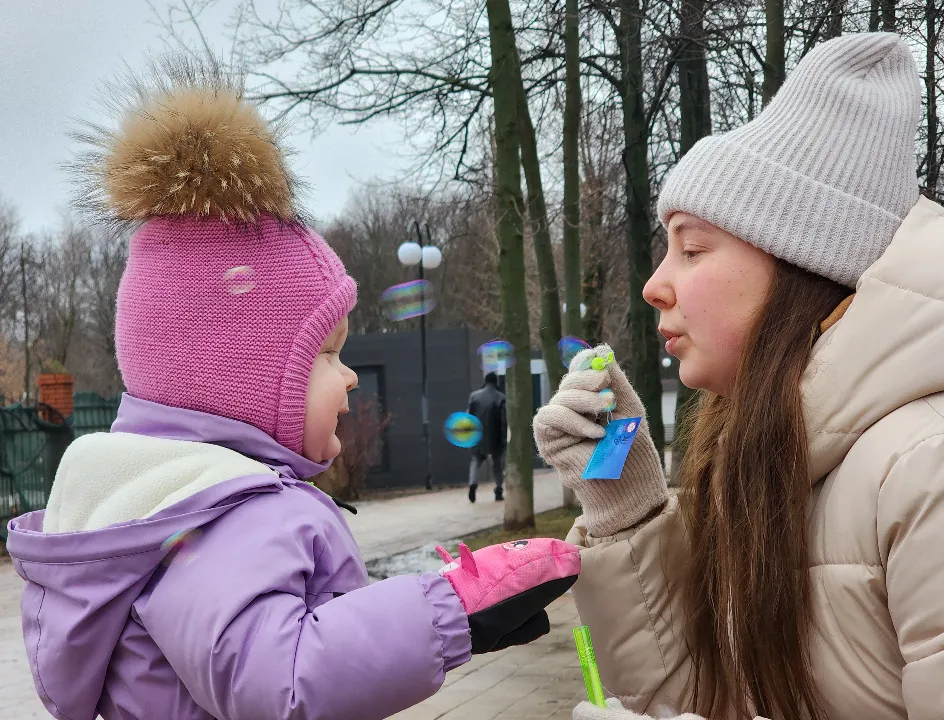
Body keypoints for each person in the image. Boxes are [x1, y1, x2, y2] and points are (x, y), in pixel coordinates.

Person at [5, 57, 579, 720]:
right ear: (238, 383)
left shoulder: (179, 506)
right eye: (326, 355)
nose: (349, 376)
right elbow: (281, 681)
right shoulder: (224, 517)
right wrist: (451, 610)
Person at [534, 33, 944, 720]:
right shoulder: (765, 454)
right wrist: (625, 505)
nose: (654, 286)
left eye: (692, 247)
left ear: (802, 264)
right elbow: (710, 701)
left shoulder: (936, 465)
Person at [466, 371, 507, 502]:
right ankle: (499, 490)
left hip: (477, 435)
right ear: (496, 382)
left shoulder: (474, 396)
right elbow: (504, 420)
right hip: (495, 436)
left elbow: (467, 417)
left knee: (476, 461)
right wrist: (504, 438)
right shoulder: (501, 397)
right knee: (497, 464)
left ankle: (473, 483)